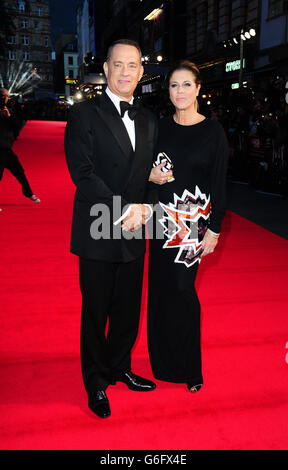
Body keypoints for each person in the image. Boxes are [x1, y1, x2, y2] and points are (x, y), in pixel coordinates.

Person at [64, 39, 158, 419]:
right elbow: (83, 174)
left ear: (140, 71)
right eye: (117, 65)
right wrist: (125, 211)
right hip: (102, 223)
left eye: (132, 65)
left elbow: (152, 173)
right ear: (105, 69)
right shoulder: (85, 115)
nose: (124, 72)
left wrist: (147, 208)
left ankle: (120, 366)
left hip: (136, 223)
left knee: (127, 308)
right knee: (96, 309)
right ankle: (95, 380)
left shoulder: (150, 118)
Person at [147, 61, 228, 393]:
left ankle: (190, 367)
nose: (179, 91)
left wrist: (215, 229)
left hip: (192, 223)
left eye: (185, 85)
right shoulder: (159, 128)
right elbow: (143, 169)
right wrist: (149, 177)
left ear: (198, 89)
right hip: (159, 220)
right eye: (173, 86)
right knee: (160, 291)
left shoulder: (213, 132)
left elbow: (219, 183)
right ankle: (163, 363)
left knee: (182, 290)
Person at [0, 88, 40, 211]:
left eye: (7, 96)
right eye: (5, 96)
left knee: (20, 172)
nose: (6, 98)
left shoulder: (8, 110)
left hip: (7, 149)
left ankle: (29, 193)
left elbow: (18, 126)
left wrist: (9, 116)